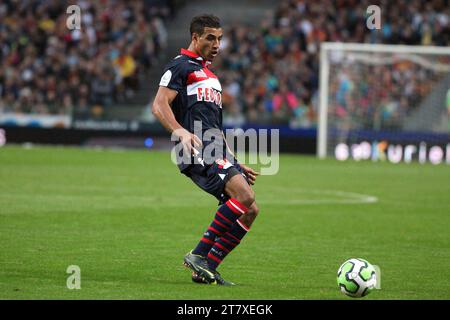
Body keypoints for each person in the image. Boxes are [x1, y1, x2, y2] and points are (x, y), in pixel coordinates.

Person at [151, 14, 260, 286]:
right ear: (195, 37)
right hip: (195, 147)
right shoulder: (180, 67)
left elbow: (215, 127)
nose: (217, 44)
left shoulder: (210, 76)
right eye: (210, 38)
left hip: (214, 148)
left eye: (220, 39)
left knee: (250, 209)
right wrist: (179, 131)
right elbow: (159, 105)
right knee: (244, 195)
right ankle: (198, 254)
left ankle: (206, 268)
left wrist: (234, 162)